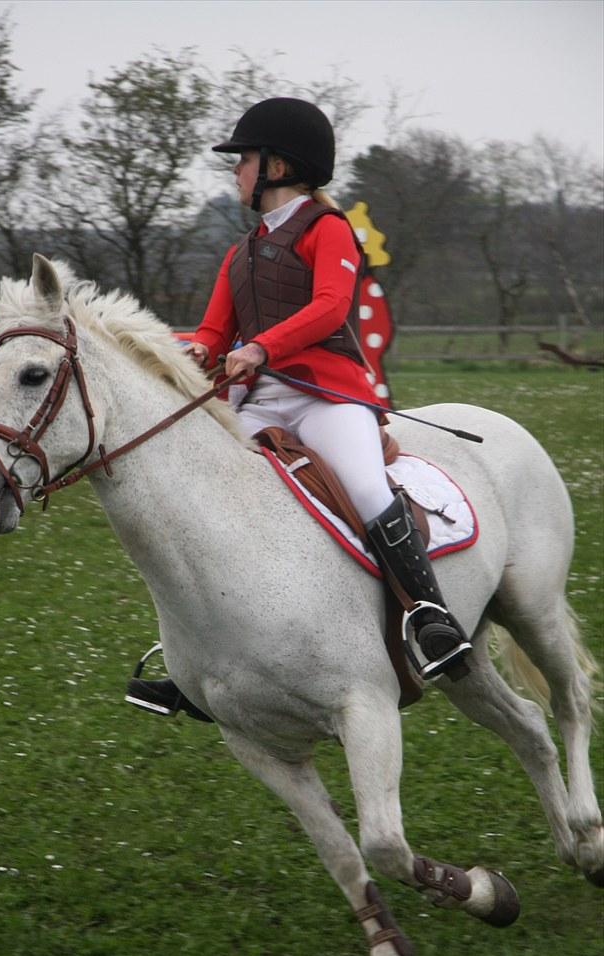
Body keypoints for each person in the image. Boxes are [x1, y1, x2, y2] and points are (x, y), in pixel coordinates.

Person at [126, 98, 471, 720]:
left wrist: (259, 347)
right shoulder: (240, 253)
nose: (235, 173)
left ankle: (430, 618)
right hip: (260, 403)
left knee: (366, 486)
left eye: (243, 161)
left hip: (326, 397)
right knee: (212, 493)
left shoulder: (327, 230)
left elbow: (332, 307)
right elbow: (209, 335)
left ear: (278, 166)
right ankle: (199, 658)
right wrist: (163, 357)